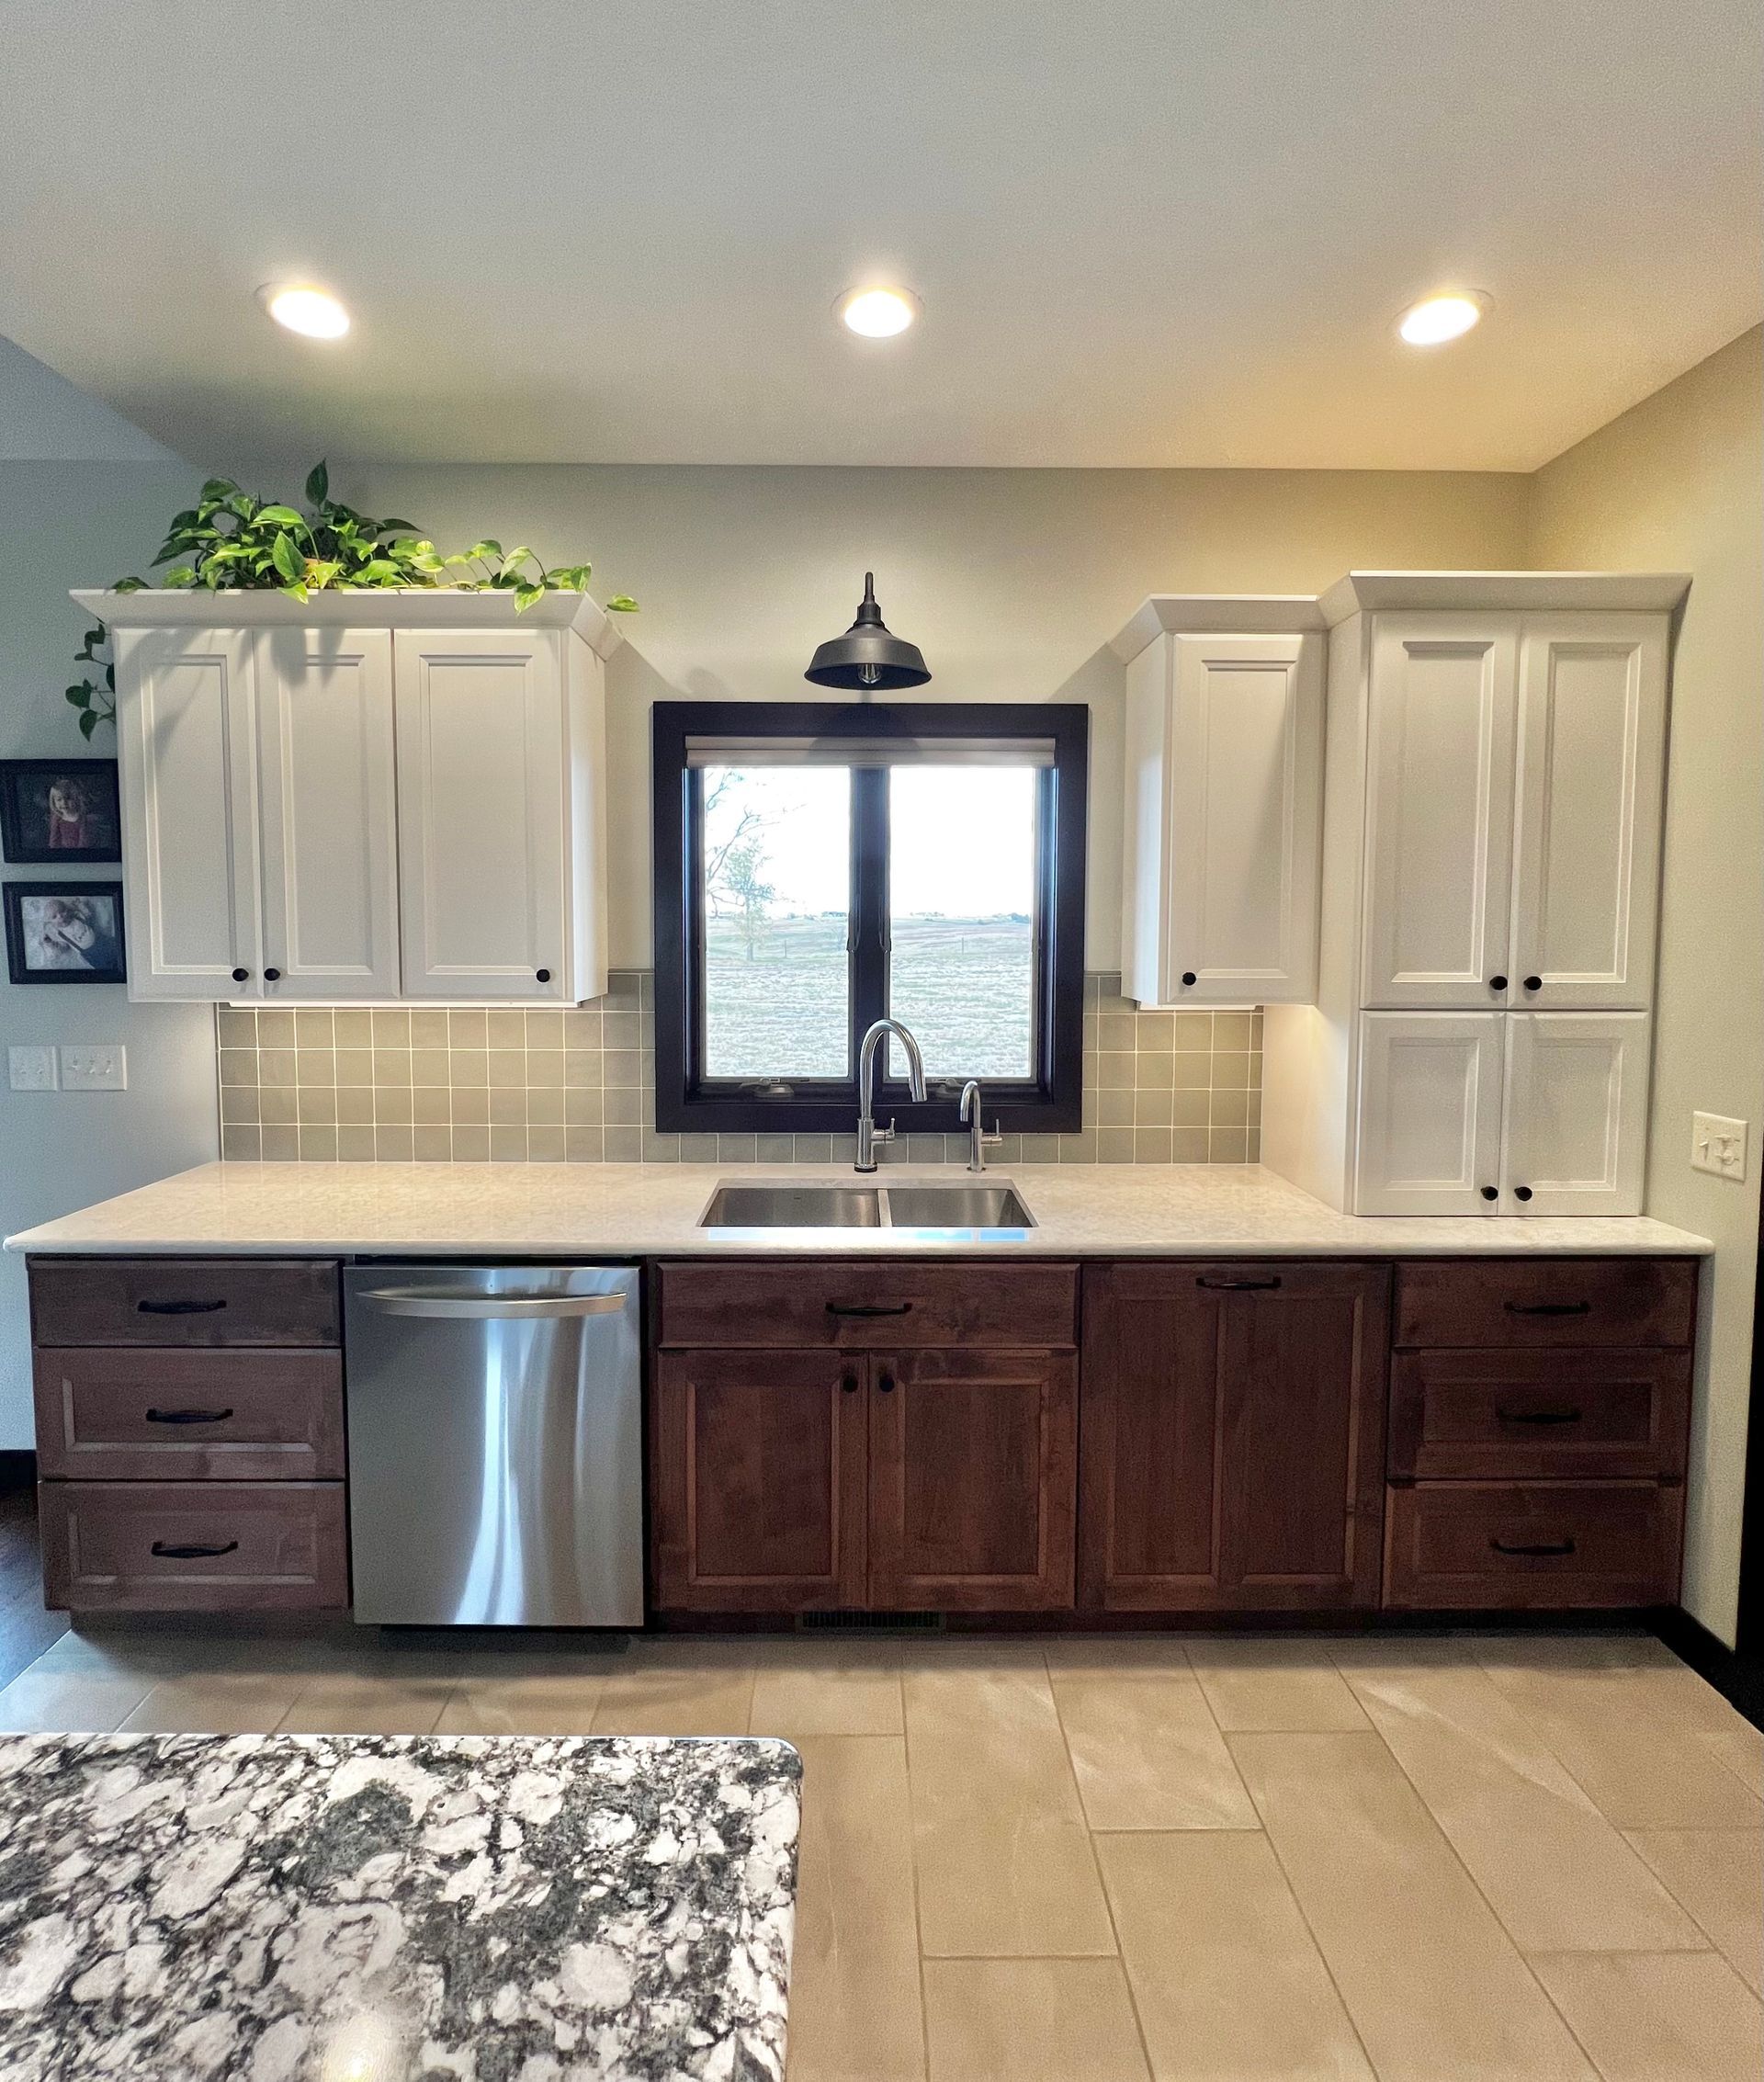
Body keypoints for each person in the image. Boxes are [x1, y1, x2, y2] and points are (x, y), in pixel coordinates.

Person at [45, 778, 89, 850]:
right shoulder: (57, 817)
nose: (64, 803)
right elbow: (54, 840)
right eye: (59, 799)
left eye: (68, 798)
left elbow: (84, 842)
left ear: (75, 799)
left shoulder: (82, 818)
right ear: (54, 801)